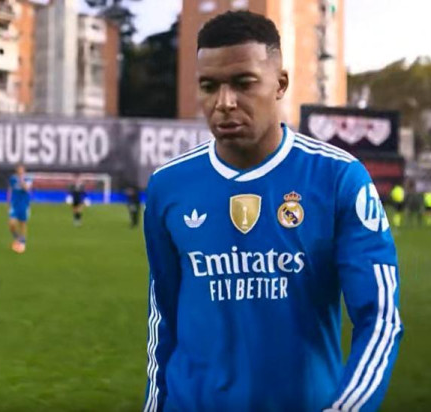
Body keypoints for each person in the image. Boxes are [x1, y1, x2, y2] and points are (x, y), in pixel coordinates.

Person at [142, 11, 402, 412]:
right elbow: (163, 317)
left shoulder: (338, 178)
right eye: (209, 86)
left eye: (243, 83)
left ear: (280, 84)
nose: (224, 102)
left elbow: (379, 317)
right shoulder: (168, 185)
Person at [8, 164, 33, 253]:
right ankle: (17, 238)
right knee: (11, 224)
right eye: (19, 169)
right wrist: (8, 200)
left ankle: (22, 243)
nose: (20, 171)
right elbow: (10, 189)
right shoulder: (12, 178)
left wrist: (21, 180)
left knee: (22, 223)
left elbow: (26, 188)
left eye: (21, 169)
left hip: (24, 204)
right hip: (14, 204)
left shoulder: (28, 178)